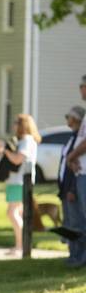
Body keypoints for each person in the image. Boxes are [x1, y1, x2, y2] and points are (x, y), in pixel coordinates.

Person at [0, 113, 41, 255]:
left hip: (19, 181)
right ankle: (20, 245)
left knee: (12, 213)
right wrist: (1, 150)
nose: (13, 125)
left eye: (16, 122)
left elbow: (17, 160)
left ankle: (21, 246)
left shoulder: (26, 140)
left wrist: (5, 151)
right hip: (17, 181)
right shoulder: (23, 140)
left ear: (22, 125)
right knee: (18, 212)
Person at [58, 107, 86, 266]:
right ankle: (73, 255)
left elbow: (73, 165)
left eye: (68, 116)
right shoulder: (72, 137)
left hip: (73, 186)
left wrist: (71, 189)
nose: (67, 119)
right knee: (70, 224)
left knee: (77, 225)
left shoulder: (77, 138)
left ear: (75, 119)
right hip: (67, 186)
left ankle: (78, 257)